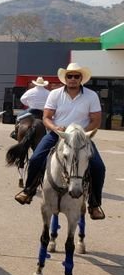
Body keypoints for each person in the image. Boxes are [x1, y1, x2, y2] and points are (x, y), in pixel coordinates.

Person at [14, 63, 106, 220]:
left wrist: (82, 133)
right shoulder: (55, 94)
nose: (73, 79)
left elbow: (96, 119)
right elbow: (46, 117)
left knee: (99, 167)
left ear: (81, 79)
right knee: (36, 158)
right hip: (58, 135)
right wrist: (56, 128)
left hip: (81, 137)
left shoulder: (91, 95)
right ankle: (28, 190)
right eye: (69, 76)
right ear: (65, 78)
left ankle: (94, 204)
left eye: (76, 76)